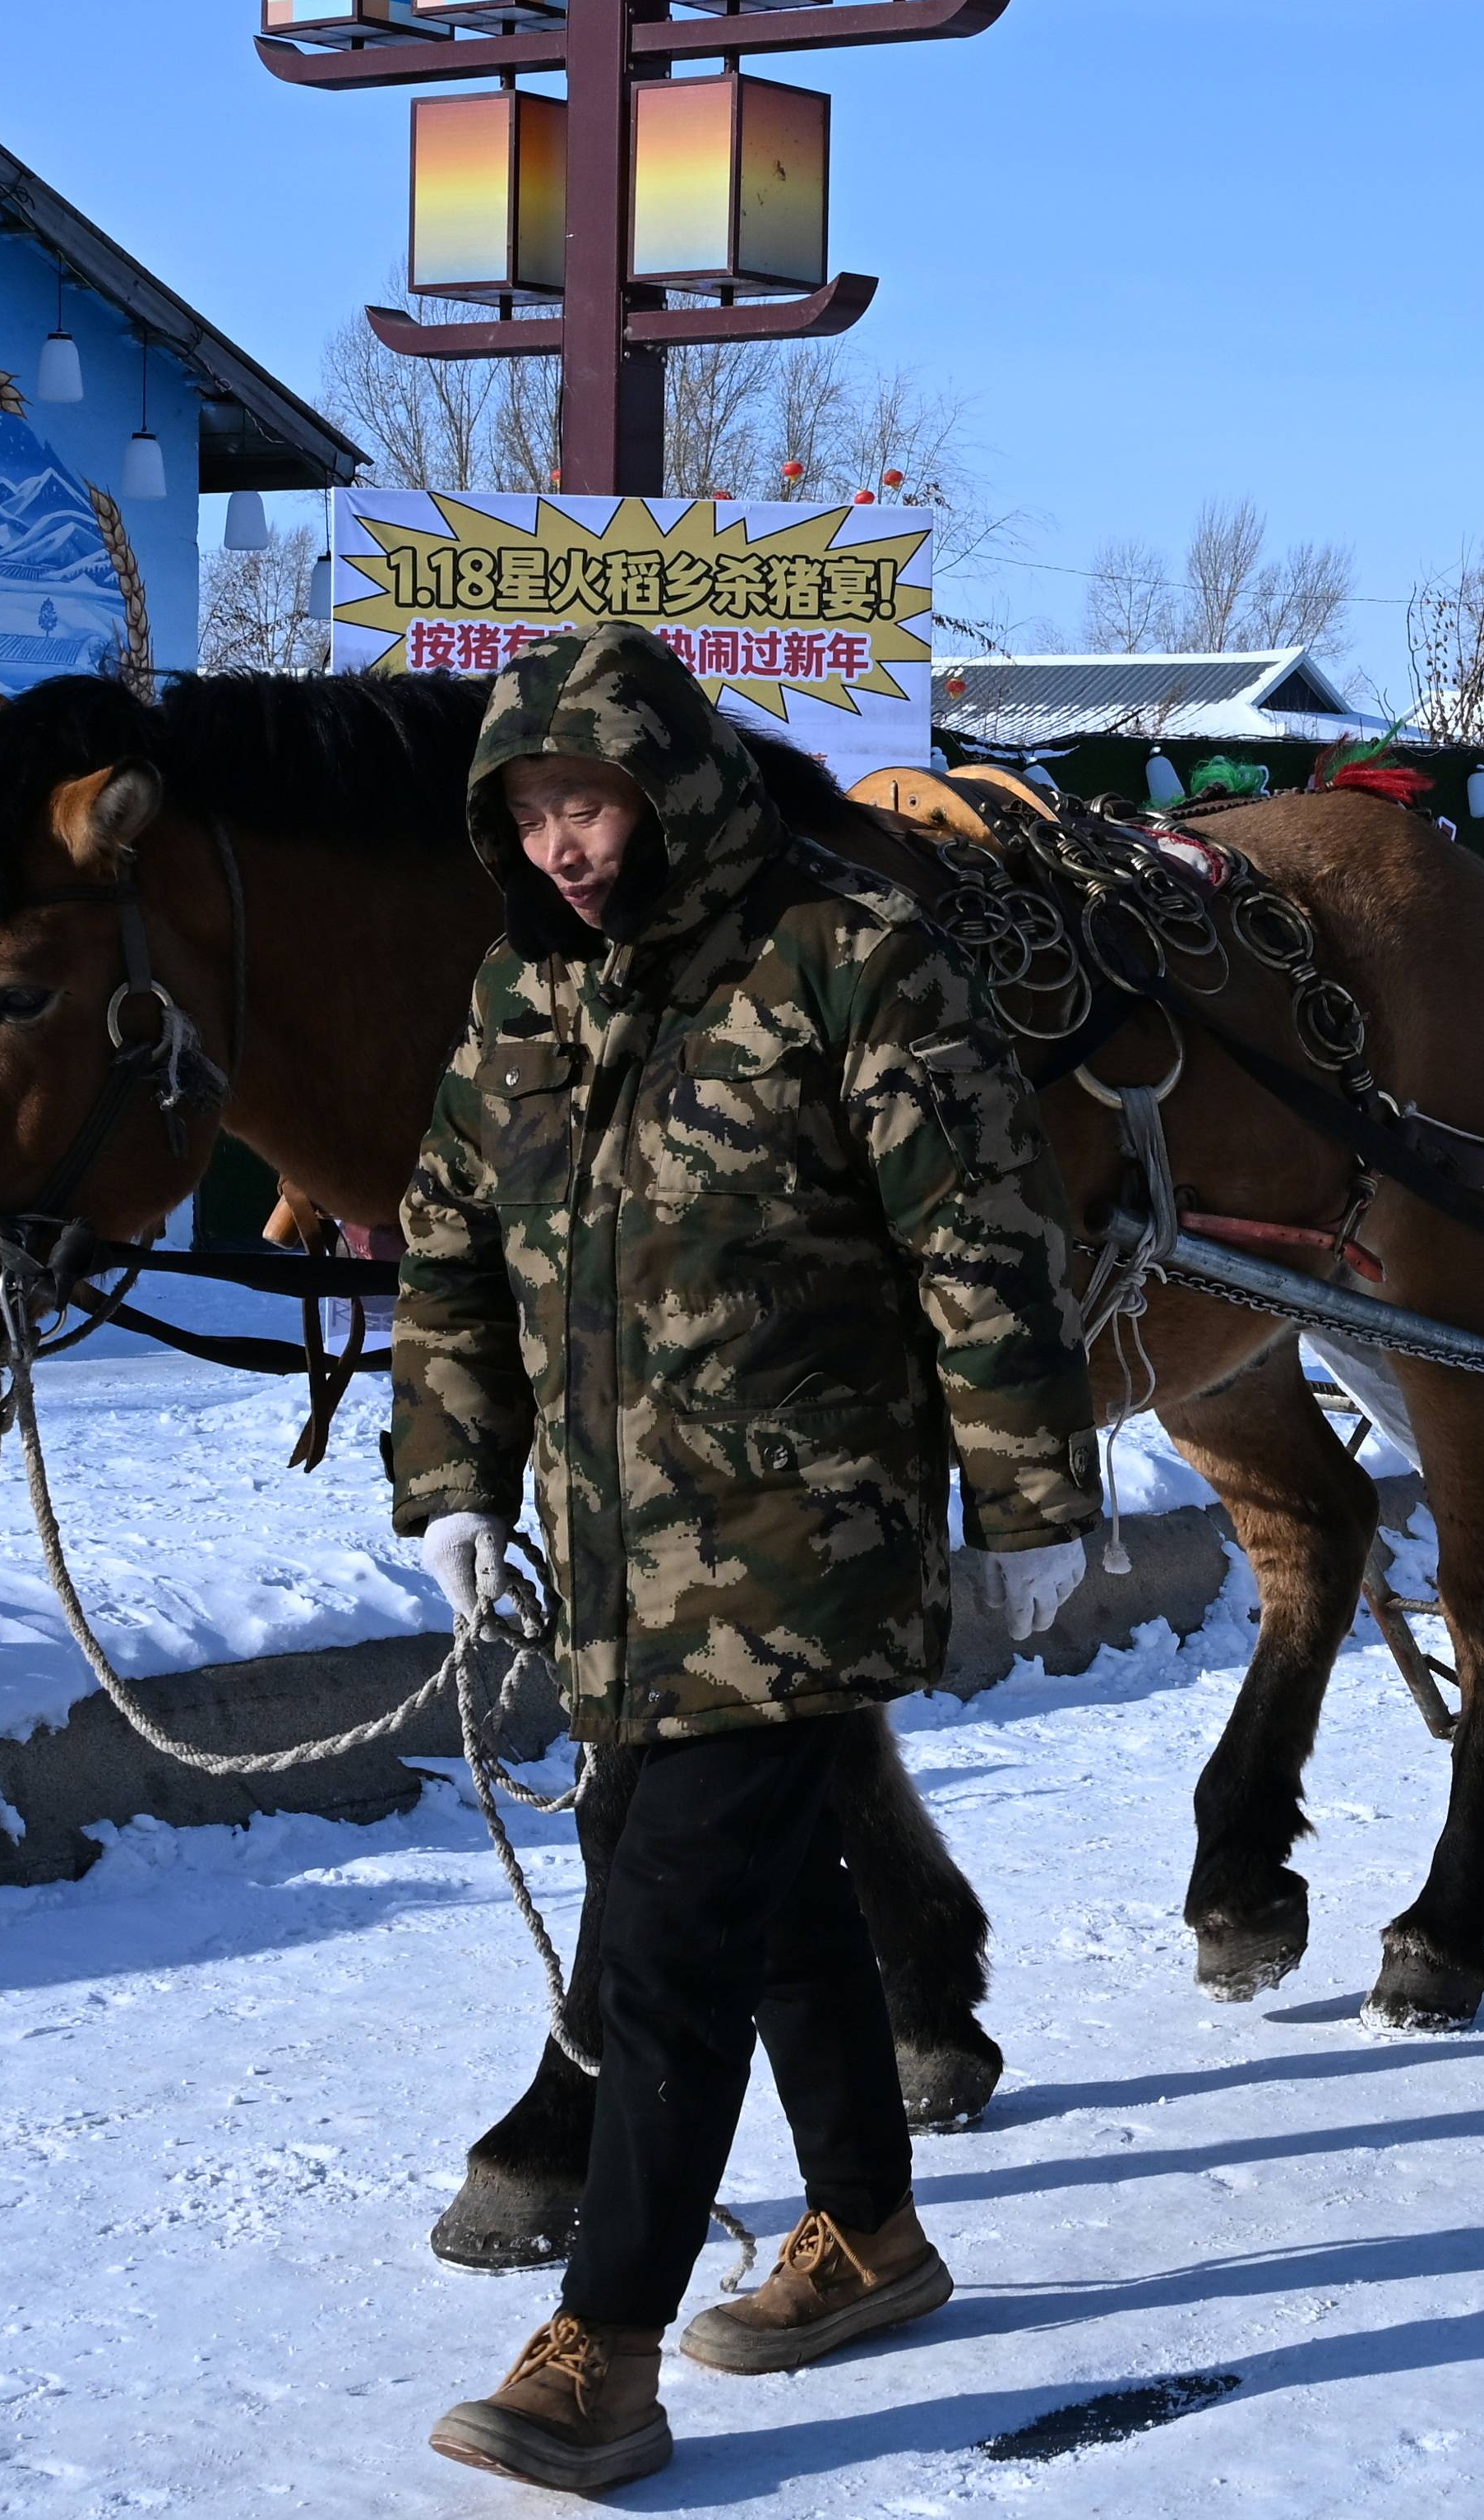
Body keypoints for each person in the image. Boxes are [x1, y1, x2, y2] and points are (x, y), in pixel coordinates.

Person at [391, 624, 1105, 2498]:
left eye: (589, 796)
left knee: (666, 1927)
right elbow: (448, 1236)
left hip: (810, 1537)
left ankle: (601, 2350)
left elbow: (979, 1239)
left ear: (670, 784)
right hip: (619, 1564)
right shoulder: (522, 999)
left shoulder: (838, 959)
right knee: (767, 1891)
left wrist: (1027, 1499)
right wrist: (450, 1470)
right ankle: (868, 2235)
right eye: (529, 805)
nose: (560, 838)